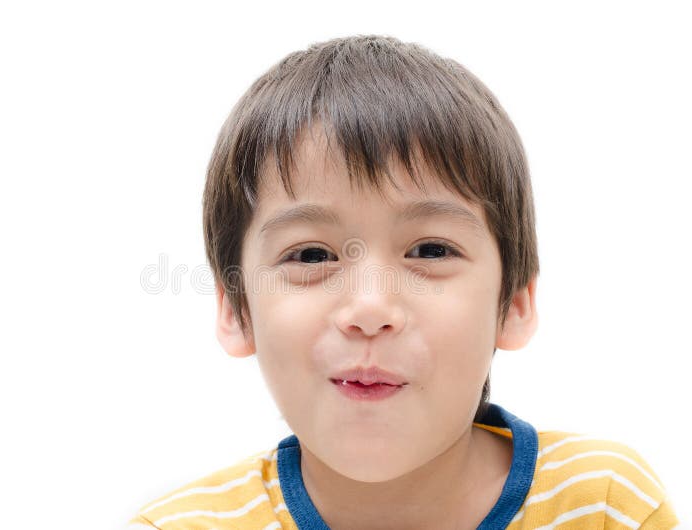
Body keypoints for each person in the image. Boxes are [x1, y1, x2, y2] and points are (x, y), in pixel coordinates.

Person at [127, 35, 679, 529]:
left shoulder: (606, 508)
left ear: (513, 301)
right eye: (312, 254)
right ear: (236, 309)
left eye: (431, 250)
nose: (369, 308)